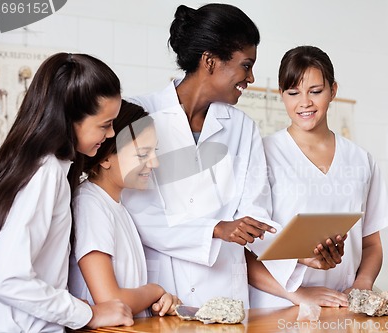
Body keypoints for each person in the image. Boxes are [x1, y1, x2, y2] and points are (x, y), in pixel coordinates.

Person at [122, 4, 333, 309]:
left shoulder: (242, 127)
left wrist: (299, 251)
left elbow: (256, 209)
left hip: (226, 290)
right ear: (210, 61)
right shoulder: (141, 115)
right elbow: (137, 213)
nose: (251, 77)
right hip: (163, 291)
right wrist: (217, 229)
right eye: (245, 65)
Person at [0, 53, 134, 332]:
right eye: (105, 124)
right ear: (68, 119)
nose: (112, 133)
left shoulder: (36, 165)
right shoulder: (46, 172)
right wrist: (86, 313)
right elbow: (8, 279)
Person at [247, 45, 388, 308]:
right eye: (293, 93)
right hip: (279, 308)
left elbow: (371, 244)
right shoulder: (262, 155)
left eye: (315, 91)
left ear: (333, 91)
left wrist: (361, 286)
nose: (304, 102)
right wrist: (299, 294)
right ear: (281, 95)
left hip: (342, 306)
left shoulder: (360, 160)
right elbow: (241, 253)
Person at [69, 100, 181, 317]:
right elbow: (110, 300)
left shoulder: (116, 207)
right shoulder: (90, 204)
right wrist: (155, 290)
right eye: (142, 154)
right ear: (105, 158)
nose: (155, 163)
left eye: (154, 151)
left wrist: (159, 301)